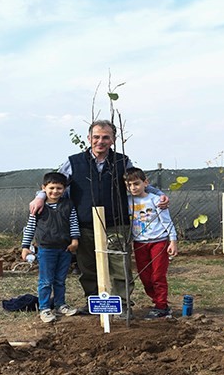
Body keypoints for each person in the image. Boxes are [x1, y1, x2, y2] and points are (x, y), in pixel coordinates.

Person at [28, 120, 168, 319]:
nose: (100, 141)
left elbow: (137, 183)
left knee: (120, 267)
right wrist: (40, 196)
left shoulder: (122, 161)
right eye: (96, 137)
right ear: (88, 138)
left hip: (116, 223)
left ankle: (123, 305)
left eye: (105, 137)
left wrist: (160, 195)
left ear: (113, 140)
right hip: (85, 225)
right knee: (88, 267)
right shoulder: (74, 162)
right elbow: (55, 184)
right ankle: (95, 302)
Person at [20, 172, 80, 323]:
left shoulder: (68, 205)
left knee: (60, 279)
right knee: (46, 280)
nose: (55, 191)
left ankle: (60, 305)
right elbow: (30, 227)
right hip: (46, 249)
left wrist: (74, 241)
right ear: (44, 188)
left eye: (59, 188)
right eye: (51, 188)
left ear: (64, 189)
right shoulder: (38, 206)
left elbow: (73, 223)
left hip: (65, 248)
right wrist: (25, 246)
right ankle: (45, 308)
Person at [124, 167, 178, 319]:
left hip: (158, 242)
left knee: (157, 275)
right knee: (145, 277)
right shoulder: (127, 202)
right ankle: (159, 302)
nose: (133, 188)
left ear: (145, 183)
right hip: (139, 243)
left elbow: (167, 221)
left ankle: (161, 306)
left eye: (136, 184)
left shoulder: (155, 200)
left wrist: (172, 241)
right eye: (129, 185)